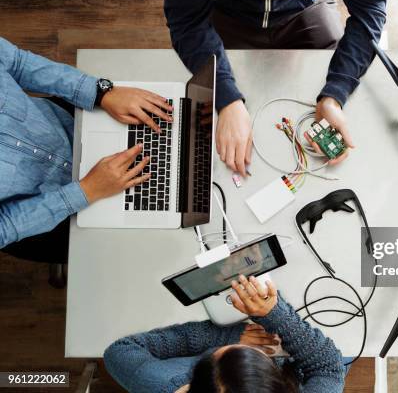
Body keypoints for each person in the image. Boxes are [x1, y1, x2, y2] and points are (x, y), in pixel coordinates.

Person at [163, 0, 387, 176]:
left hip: (307, 8)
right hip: (230, 13)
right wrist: (226, 99)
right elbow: (188, 23)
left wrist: (336, 93)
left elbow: (369, 10)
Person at [0, 37, 172, 266]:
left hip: (68, 125)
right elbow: (5, 227)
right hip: (52, 216)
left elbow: (17, 63)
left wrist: (100, 92)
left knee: (173, 133)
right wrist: (86, 191)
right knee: (155, 252)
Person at [104, 276, 347, 393]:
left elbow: (122, 350)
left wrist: (229, 336)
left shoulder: (159, 384)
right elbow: (328, 367)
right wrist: (274, 314)